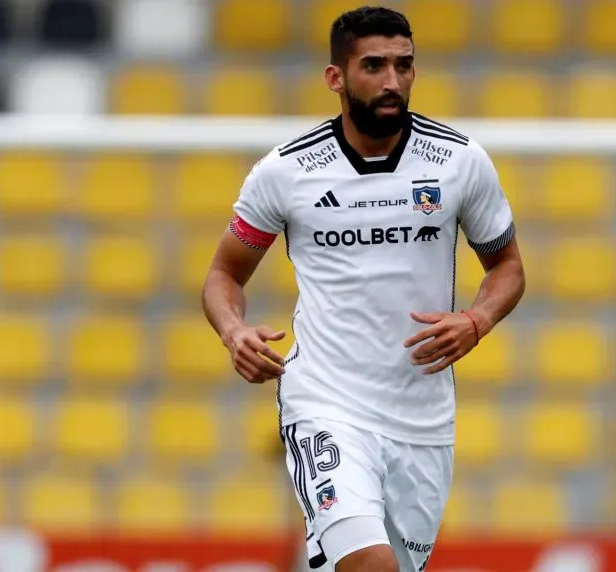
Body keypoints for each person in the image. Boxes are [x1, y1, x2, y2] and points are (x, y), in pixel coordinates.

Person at [201, 6, 525, 572]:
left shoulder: (458, 162)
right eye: (374, 65)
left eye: (404, 65)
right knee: (371, 566)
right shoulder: (287, 172)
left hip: (422, 419)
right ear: (336, 77)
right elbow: (224, 275)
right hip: (327, 404)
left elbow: (508, 267)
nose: (392, 81)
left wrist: (477, 320)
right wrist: (233, 330)